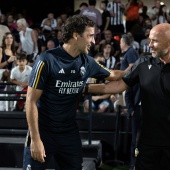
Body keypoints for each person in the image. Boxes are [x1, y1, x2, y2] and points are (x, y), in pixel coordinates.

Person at [23, 15, 127, 170]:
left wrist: (141, 67)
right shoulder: (47, 59)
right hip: (43, 131)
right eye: (90, 36)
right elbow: (30, 101)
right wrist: (36, 139)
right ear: (75, 35)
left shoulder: (88, 61)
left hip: (68, 133)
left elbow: (114, 76)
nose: (93, 41)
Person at [87, 23, 170, 169]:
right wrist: (83, 88)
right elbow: (118, 85)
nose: (149, 44)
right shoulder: (143, 63)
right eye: (149, 40)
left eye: (154, 41)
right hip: (147, 140)